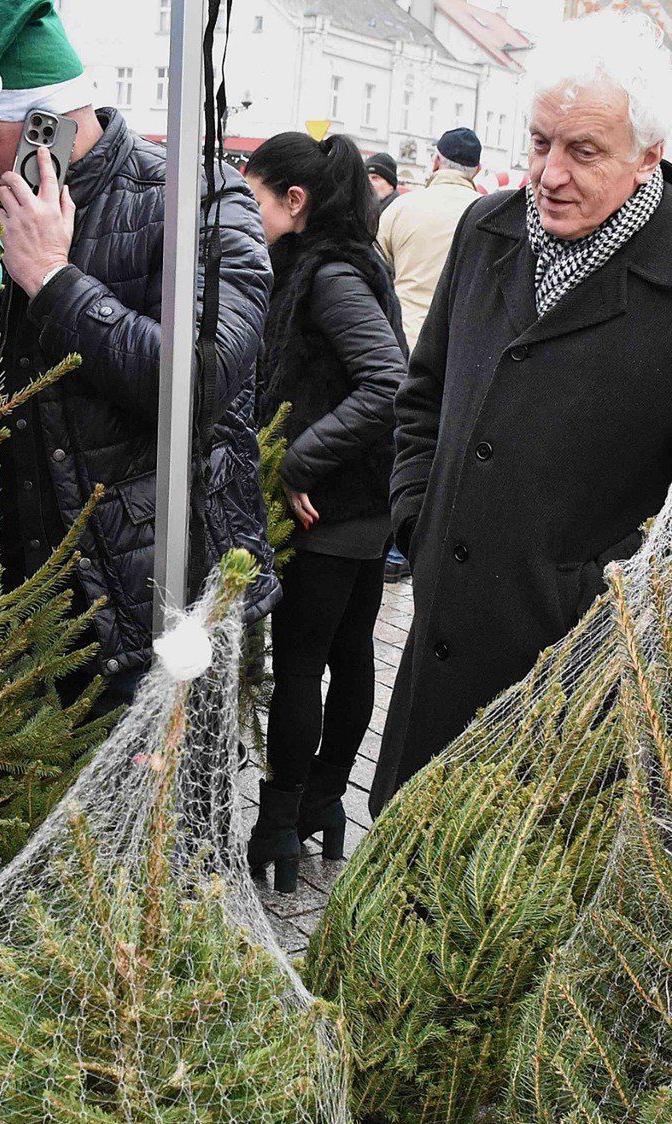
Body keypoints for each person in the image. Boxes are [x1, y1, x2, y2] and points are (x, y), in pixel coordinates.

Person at [371, 10, 672, 812]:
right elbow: (423, 395)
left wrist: (593, 612)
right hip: (441, 649)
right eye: (539, 142)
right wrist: (417, 521)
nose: (549, 174)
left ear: (649, 155)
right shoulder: (485, 230)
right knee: (398, 883)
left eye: (584, 151)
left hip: (576, 702)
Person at [0, 0, 275, 704]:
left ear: (52, 124)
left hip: (155, 617)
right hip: (9, 624)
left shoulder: (197, 199)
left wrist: (53, 281)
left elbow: (200, 384)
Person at [244, 131, 407, 892]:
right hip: (359, 497)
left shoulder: (328, 274)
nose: (249, 213)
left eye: (256, 197)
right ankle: (324, 805)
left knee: (308, 661)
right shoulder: (339, 261)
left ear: (295, 201)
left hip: (330, 502)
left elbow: (386, 381)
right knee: (346, 657)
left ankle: (280, 821)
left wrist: (299, 458)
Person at [377, 125, 480, 353]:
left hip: (403, 337)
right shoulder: (488, 214)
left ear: (435, 162)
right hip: (458, 347)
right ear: (477, 170)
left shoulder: (401, 207)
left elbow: (375, 269)